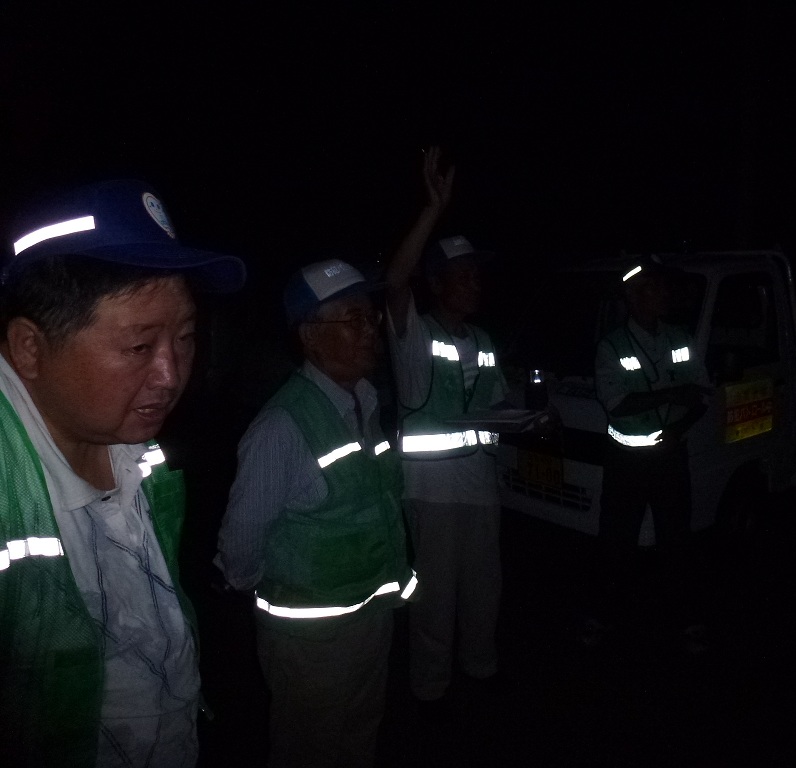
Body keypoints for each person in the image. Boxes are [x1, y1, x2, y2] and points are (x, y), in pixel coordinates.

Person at [0, 178, 246, 766]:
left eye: (185, 338)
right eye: (139, 347)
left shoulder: (137, 447)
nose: (171, 375)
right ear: (30, 348)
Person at [215, 258, 415, 768]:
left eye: (370, 316)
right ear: (310, 337)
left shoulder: (366, 403)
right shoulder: (281, 427)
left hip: (371, 616)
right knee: (309, 747)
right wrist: (266, 590)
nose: (370, 329)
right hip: (311, 640)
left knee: (360, 733)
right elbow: (241, 540)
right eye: (353, 318)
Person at [384, 147, 509, 706]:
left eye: (476, 276)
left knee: (484, 591)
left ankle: (481, 672)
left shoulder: (483, 341)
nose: (474, 284)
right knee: (434, 598)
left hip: (481, 489)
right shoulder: (414, 337)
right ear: (437, 285)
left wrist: (530, 419)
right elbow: (395, 283)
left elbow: (498, 407)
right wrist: (432, 210)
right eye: (462, 276)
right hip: (431, 492)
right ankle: (429, 690)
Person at [591, 254, 710, 643]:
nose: (664, 294)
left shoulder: (680, 338)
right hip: (626, 461)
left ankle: (685, 620)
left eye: (663, 287)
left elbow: (702, 394)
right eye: (654, 288)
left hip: (670, 456)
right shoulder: (611, 346)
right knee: (617, 541)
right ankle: (606, 617)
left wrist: (678, 428)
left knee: (676, 540)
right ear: (634, 297)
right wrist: (673, 394)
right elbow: (617, 403)